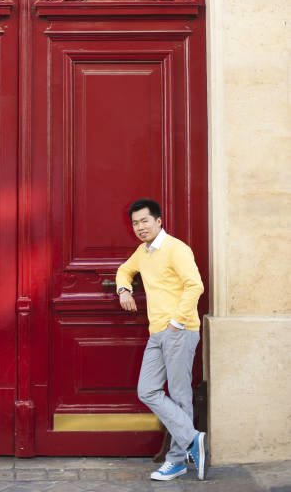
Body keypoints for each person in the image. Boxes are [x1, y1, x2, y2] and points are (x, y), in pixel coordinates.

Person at [116, 198, 208, 482]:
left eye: (145, 221)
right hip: (157, 332)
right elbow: (125, 270)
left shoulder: (176, 249)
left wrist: (177, 322)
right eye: (135, 223)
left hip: (179, 330)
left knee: (180, 397)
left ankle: (177, 461)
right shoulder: (142, 252)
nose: (140, 227)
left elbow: (195, 285)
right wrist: (123, 290)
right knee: (147, 390)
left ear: (158, 221)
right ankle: (193, 438)